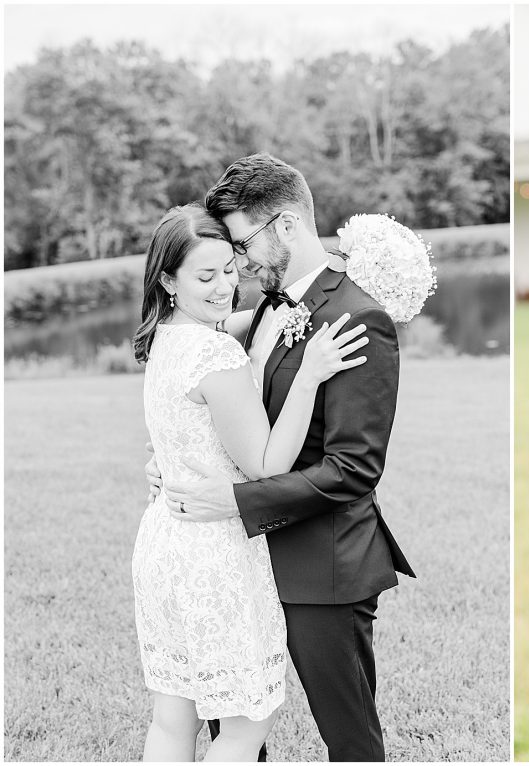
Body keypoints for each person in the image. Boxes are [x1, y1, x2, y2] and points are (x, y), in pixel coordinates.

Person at [148, 154, 415, 762]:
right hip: (236, 565)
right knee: (235, 730)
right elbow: (222, 412)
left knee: (349, 739)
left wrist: (236, 501)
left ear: (287, 225)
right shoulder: (265, 308)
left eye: (242, 244)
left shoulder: (358, 317)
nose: (236, 265)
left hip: (322, 566)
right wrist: (174, 459)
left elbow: (354, 469)